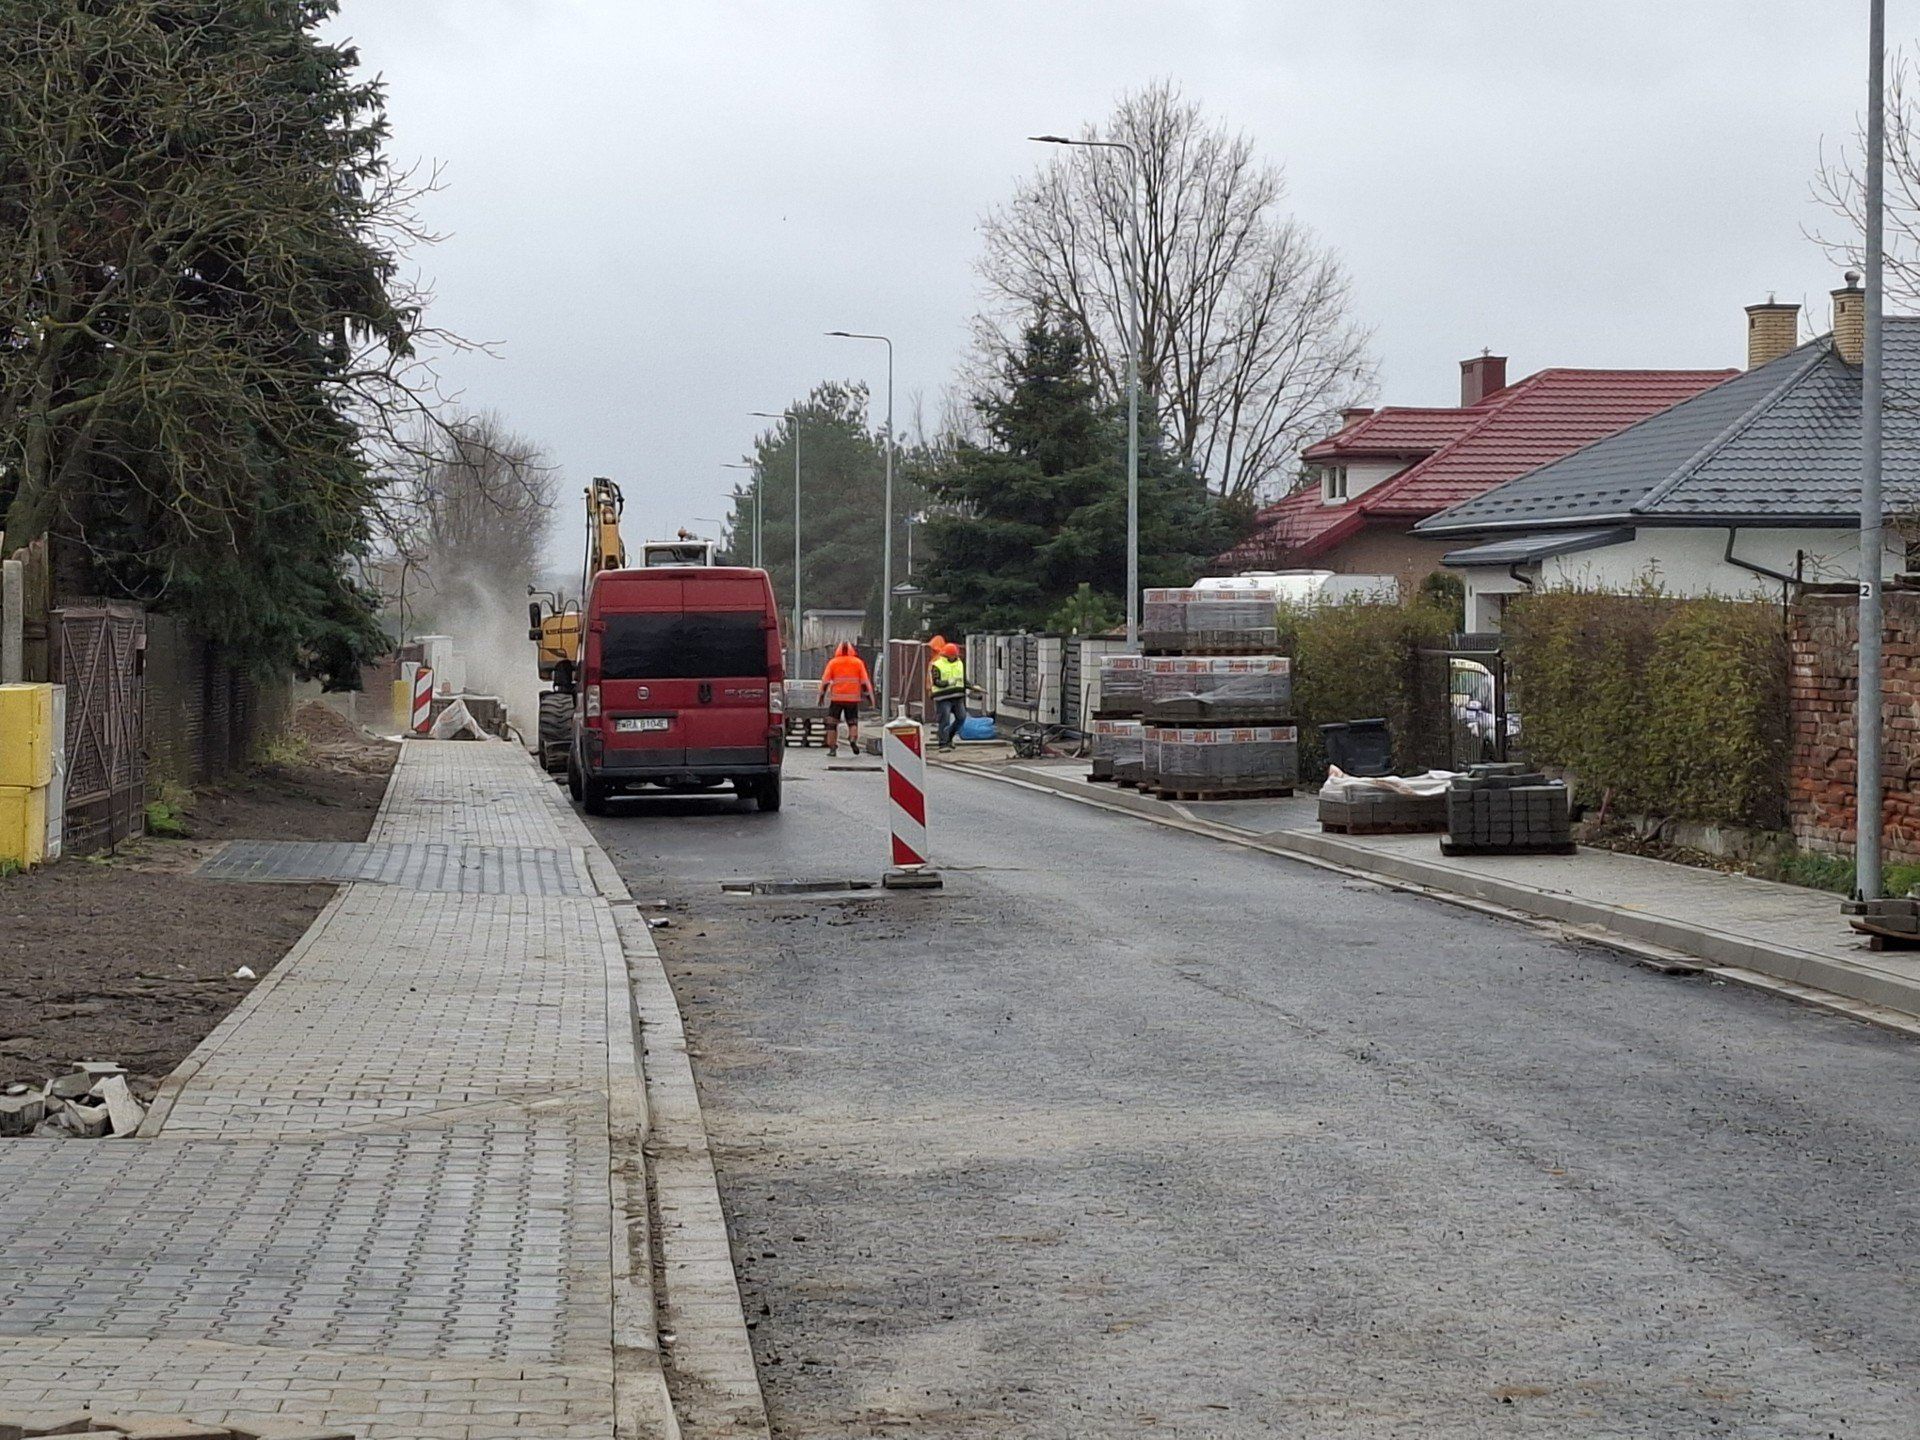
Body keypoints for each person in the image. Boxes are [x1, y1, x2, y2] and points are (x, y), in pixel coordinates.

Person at [816, 641, 873, 757]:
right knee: (853, 722)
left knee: (832, 724)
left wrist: (821, 696)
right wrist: (869, 698)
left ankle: (832, 748)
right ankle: (852, 739)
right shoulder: (858, 663)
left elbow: (825, 681)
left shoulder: (833, 663)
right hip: (852, 699)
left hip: (836, 699)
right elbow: (864, 683)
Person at [930, 640, 968, 752]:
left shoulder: (959, 663)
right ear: (947, 655)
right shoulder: (937, 664)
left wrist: (972, 686)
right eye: (953, 655)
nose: (955, 657)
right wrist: (948, 682)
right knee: (944, 719)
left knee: (961, 718)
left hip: (957, 696)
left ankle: (949, 738)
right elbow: (936, 681)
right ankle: (943, 743)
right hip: (943, 697)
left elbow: (962, 679)